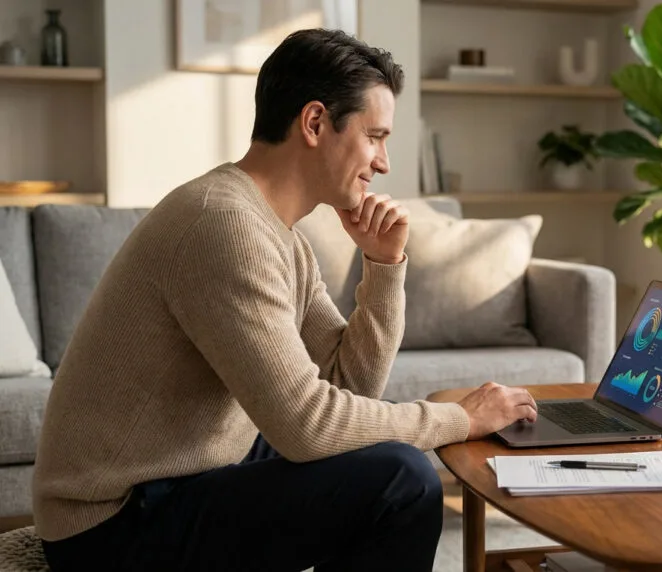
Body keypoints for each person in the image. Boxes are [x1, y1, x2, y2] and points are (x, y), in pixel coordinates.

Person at [31, 28, 538, 571]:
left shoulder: (280, 235)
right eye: (375, 136)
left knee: (375, 443)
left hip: (183, 471)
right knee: (401, 480)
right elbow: (309, 425)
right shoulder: (223, 225)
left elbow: (351, 388)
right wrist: (458, 420)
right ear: (315, 122)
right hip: (110, 526)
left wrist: (384, 266)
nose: (384, 162)